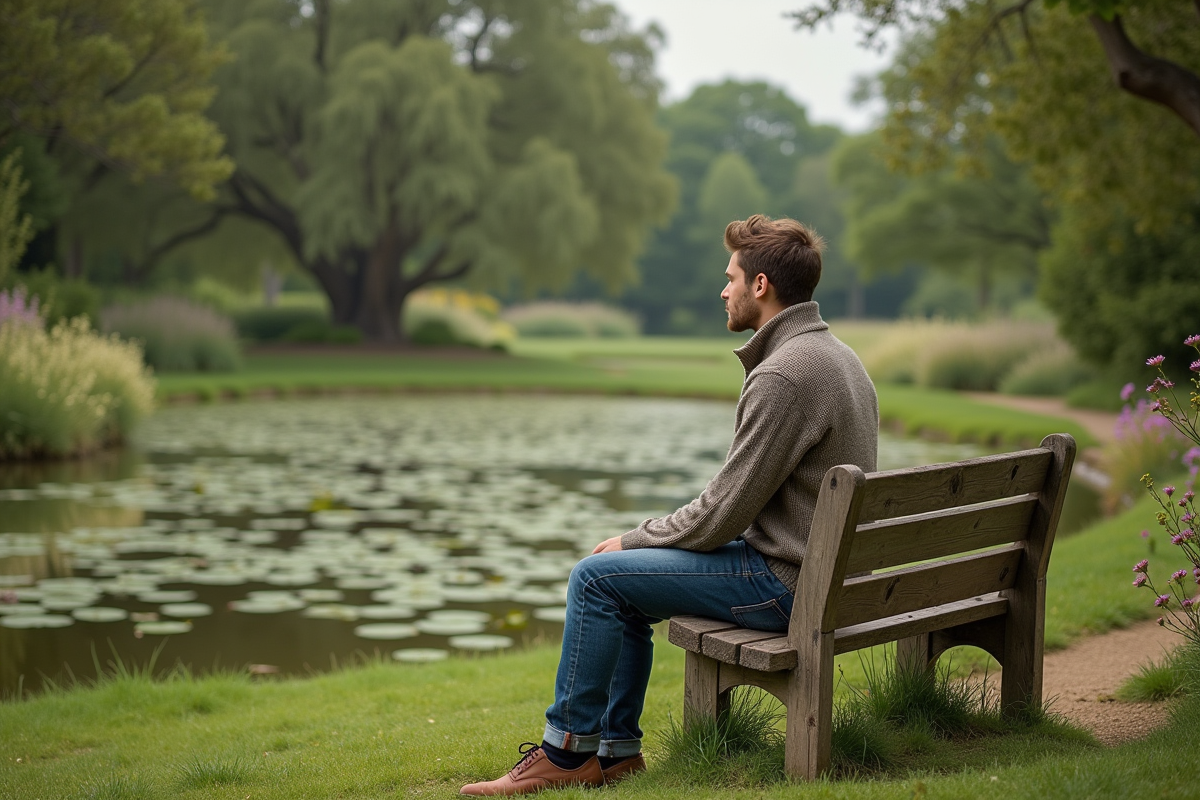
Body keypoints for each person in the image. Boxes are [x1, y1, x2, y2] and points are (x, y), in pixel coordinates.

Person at [460, 215, 879, 796]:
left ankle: (565, 753)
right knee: (620, 587)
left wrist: (634, 539)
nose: (723, 289)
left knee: (596, 579)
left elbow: (721, 514)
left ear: (762, 286)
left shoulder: (786, 374)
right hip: (821, 572)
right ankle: (617, 753)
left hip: (787, 583)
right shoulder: (841, 357)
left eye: (731, 277)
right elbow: (732, 509)